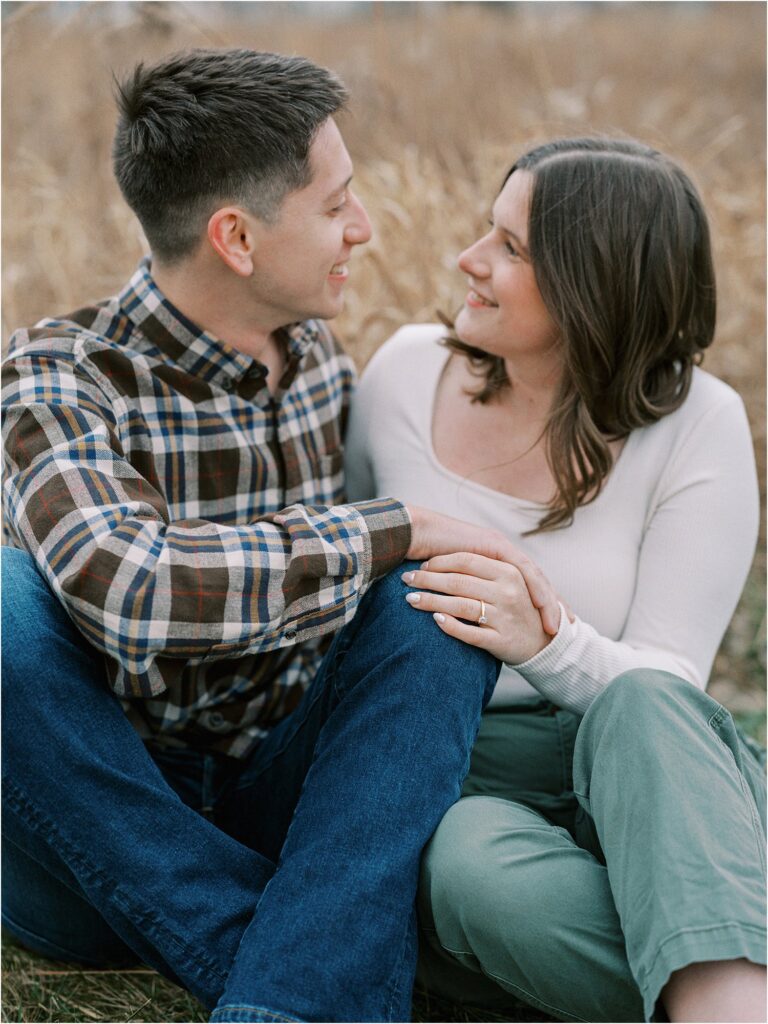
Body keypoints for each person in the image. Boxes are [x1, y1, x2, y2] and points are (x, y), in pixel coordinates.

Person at [1, 49, 563, 1024]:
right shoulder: (54, 377)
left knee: (436, 602)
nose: (366, 228)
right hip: (93, 829)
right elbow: (134, 589)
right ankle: (308, 981)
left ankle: (301, 967)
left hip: (277, 790)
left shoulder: (316, 359)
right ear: (237, 237)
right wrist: (399, 523)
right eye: (336, 202)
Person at [345, 136, 766, 1023]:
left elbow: (669, 688)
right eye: (485, 232)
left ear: (594, 284)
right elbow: (347, 577)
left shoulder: (699, 423)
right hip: (457, 772)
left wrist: (549, 644)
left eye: (511, 247)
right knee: (465, 864)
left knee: (646, 699)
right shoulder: (406, 372)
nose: (469, 259)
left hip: (645, 777)